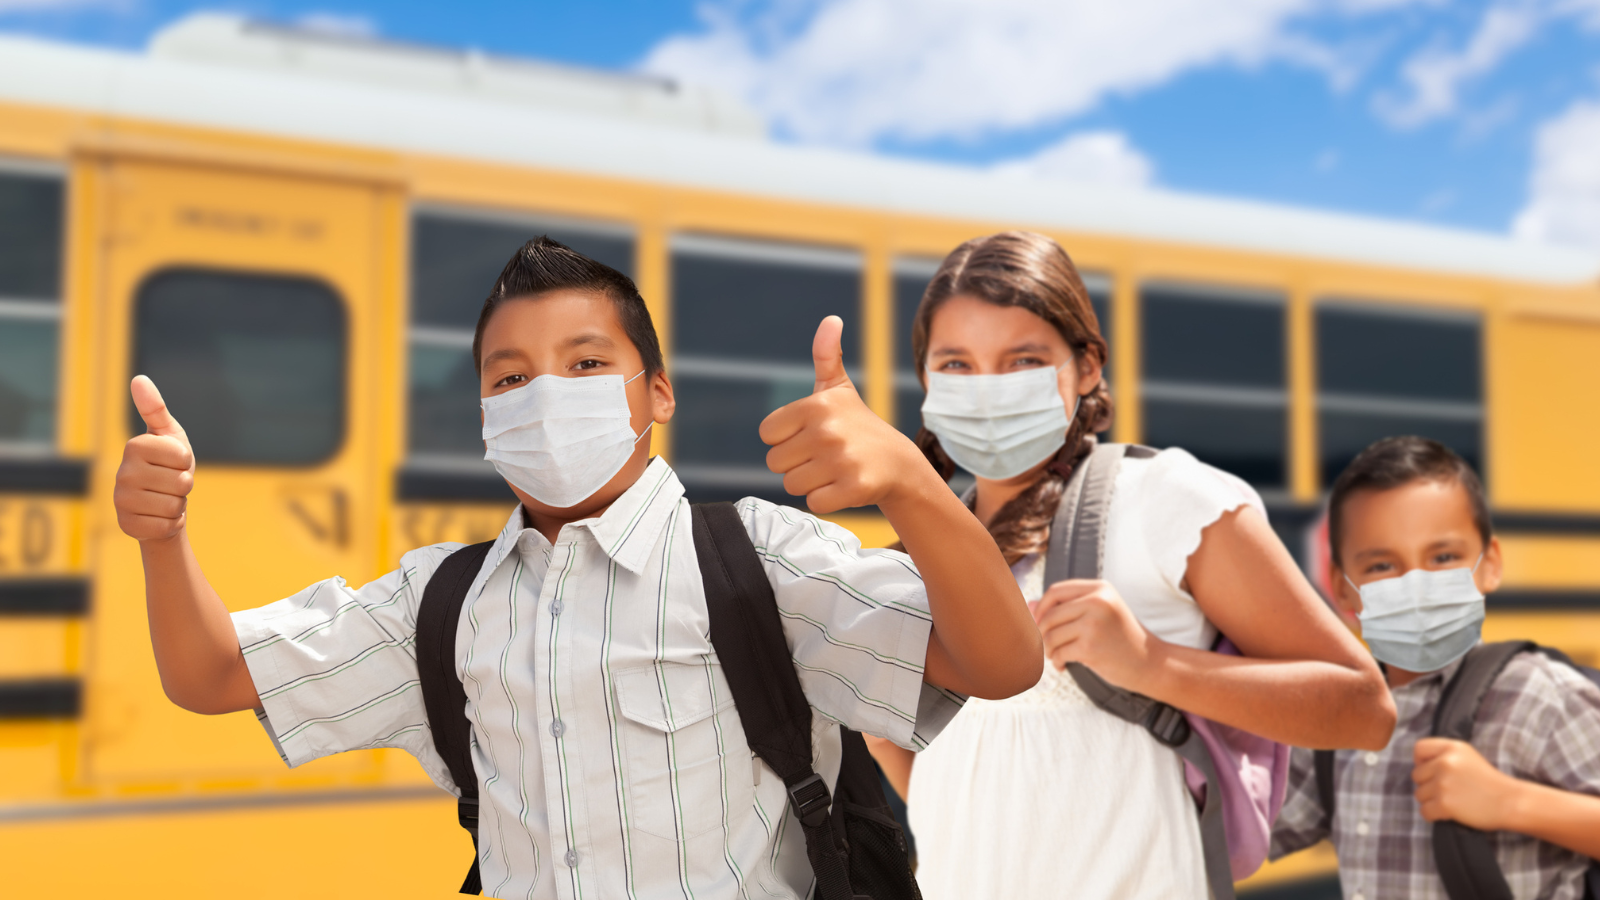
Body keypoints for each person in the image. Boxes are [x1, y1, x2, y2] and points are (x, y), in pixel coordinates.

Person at [112, 236, 1043, 899]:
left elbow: (1001, 664)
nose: (546, 396)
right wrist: (164, 537)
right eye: (509, 379)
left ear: (658, 393)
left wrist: (914, 487)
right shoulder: (441, 602)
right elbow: (212, 674)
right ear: (484, 415)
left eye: (589, 363)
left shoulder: (758, 558)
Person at [864, 231, 1396, 900]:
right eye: (958, 366)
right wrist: (882, 734)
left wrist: (1150, 662)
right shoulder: (921, 559)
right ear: (926, 382)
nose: (988, 391)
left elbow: (1363, 708)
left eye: (1023, 360)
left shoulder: (1166, 500)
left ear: (1087, 367)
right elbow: (970, 789)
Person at [1270, 436, 1600, 899]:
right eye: (1382, 565)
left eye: (1443, 558)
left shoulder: (1540, 695)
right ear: (1342, 591)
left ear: (1490, 565)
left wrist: (1510, 802)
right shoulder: (1340, 723)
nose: (1417, 585)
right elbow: (1240, 832)